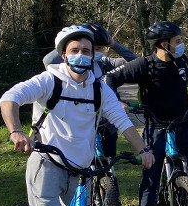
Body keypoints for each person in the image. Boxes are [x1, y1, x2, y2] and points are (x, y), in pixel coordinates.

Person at [0, 26, 155, 206]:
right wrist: (16, 131)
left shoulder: (98, 89)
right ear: (64, 55)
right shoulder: (50, 80)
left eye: (86, 51)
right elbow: (10, 97)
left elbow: (121, 119)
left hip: (81, 168)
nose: (81, 55)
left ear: (93, 55)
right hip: (47, 162)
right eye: (75, 51)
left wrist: (143, 149)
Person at [105, 21, 188, 206]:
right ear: (164, 44)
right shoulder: (144, 65)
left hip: (184, 123)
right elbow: (111, 79)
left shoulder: (181, 61)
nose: (182, 45)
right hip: (156, 127)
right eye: (178, 41)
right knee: (151, 177)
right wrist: (117, 101)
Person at [43, 23, 137, 157]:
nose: (98, 52)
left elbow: (135, 63)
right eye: (95, 47)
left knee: (108, 163)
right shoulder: (71, 67)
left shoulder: (105, 63)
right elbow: (48, 60)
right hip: (81, 124)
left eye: (100, 48)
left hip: (107, 124)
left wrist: (113, 44)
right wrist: (73, 36)